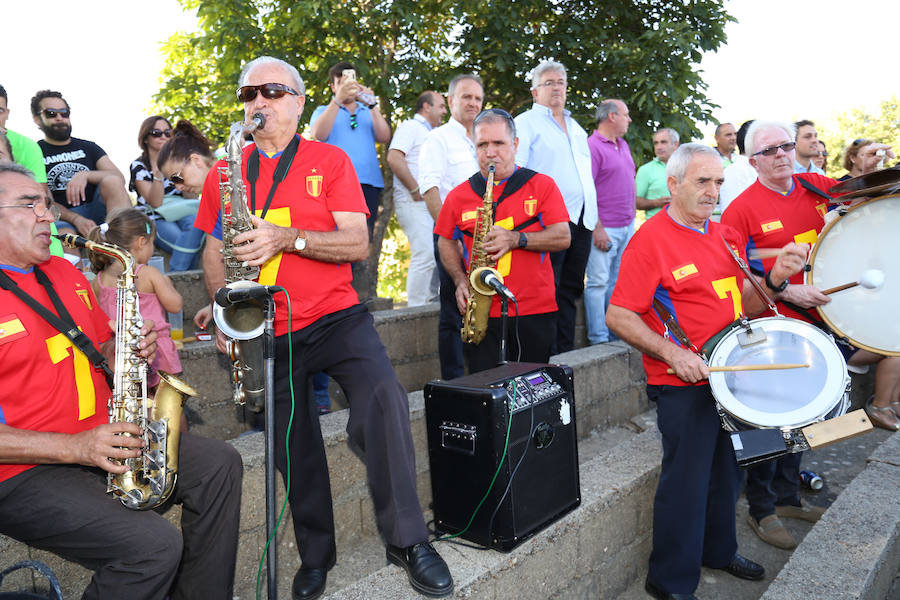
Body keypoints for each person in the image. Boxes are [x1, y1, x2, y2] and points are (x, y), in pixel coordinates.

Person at [186, 56, 453, 600]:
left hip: (336, 316)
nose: (258, 102)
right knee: (292, 442)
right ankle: (316, 555)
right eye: (248, 94)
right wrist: (221, 306)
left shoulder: (329, 160)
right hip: (266, 327)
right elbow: (213, 250)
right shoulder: (224, 173)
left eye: (272, 91)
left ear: (300, 101)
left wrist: (285, 237)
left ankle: (407, 540)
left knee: (384, 397)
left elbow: (357, 242)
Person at [0, 162, 242, 600]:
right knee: (153, 546)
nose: (47, 216)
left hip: (100, 439)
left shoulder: (65, 272)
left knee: (220, 464)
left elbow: (100, 349)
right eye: (29, 204)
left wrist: (129, 349)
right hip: (23, 472)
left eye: (47, 204)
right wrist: (75, 448)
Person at [606, 143, 807, 600]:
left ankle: (719, 551)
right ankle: (670, 581)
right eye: (702, 181)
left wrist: (775, 279)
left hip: (733, 376)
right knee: (688, 481)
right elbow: (619, 315)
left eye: (718, 181)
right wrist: (672, 354)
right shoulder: (649, 240)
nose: (713, 191)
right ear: (673, 184)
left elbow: (746, 306)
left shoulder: (725, 237)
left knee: (730, 472)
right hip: (683, 383)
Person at [721, 120, 900, 551]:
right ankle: (761, 508)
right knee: (771, 421)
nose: (781, 153)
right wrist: (785, 288)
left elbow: (870, 207)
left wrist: (880, 176)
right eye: (769, 150)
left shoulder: (817, 186)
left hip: (823, 323)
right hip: (774, 328)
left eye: (785, 145)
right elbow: (737, 278)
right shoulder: (740, 211)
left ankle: (787, 497)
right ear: (753, 161)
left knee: (808, 420)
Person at [435, 109, 570, 373]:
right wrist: (460, 280)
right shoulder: (457, 195)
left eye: (499, 143)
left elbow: (563, 236)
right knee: (485, 394)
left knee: (532, 393)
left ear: (515, 144)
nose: (490, 152)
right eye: (482, 145)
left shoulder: (542, 185)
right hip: (481, 313)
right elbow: (445, 241)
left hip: (533, 310)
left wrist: (516, 238)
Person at [514, 60, 598, 354]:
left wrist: (595, 218)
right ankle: (543, 354)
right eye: (548, 82)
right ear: (535, 91)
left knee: (571, 289)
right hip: (546, 221)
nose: (556, 88)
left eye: (560, 82)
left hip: (582, 220)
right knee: (547, 289)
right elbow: (518, 171)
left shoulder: (575, 127)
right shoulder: (525, 123)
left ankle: (565, 354)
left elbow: (584, 175)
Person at [418, 74, 484, 379]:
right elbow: (430, 188)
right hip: (452, 238)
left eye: (477, 98)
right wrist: (451, 236)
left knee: (482, 306)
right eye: (466, 97)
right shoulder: (438, 138)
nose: (472, 103)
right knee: (452, 312)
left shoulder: (485, 140)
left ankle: (482, 375)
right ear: (451, 100)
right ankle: (455, 381)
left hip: (485, 241)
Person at [89, 207, 184, 385]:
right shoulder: (149, 273)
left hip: (120, 351)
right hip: (155, 348)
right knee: (169, 406)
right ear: (141, 242)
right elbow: (175, 305)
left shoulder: (98, 281)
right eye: (152, 243)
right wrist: (167, 283)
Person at [309, 61, 391, 236]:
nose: (347, 88)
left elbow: (384, 137)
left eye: (350, 82)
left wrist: (372, 105)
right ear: (333, 87)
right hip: (334, 184)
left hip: (368, 183)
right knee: (335, 235)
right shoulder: (323, 110)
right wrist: (337, 100)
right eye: (341, 83)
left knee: (364, 238)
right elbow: (318, 134)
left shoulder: (368, 109)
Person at [30, 90, 131, 230]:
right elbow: (46, 201)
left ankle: (122, 238)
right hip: (62, 216)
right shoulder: (34, 152)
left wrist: (85, 175)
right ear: (36, 118)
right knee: (64, 232)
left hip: (100, 211)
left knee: (112, 181)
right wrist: (76, 219)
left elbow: (118, 177)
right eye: (51, 113)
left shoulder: (89, 147)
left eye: (64, 113)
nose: (59, 118)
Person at [387, 90, 446, 306]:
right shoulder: (411, 127)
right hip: (413, 202)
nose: (444, 111)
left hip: (429, 204)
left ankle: (431, 303)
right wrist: (415, 190)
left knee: (438, 254)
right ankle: (416, 309)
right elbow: (394, 157)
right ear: (426, 107)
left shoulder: (434, 133)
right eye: (441, 105)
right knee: (425, 252)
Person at [585, 99, 635, 344]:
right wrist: (597, 228)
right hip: (605, 229)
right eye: (626, 115)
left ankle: (616, 334)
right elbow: (587, 189)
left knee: (618, 283)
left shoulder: (623, 145)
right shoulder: (592, 146)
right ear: (612, 116)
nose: (629, 119)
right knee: (598, 283)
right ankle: (598, 339)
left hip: (627, 226)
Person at [131, 116, 205, 271]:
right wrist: (158, 171)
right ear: (145, 138)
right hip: (155, 216)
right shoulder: (139, 166)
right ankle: (176, 277)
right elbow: (155, 203)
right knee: (183, 241)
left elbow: (190, 197)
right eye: (156, 133)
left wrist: (186, 175)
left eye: (167, 133)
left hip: (182, 210)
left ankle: (174, 277)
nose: (163, 137)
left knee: (195, 224)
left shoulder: (179, 162)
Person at [635, 127, 679, 219]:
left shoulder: (687, 167)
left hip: (684, 226)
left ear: (675, 144)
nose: (659, 147)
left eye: (663, 142)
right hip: (655, 227)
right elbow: (634, 201)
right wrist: (656, 203)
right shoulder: (645, 170)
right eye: (656, 143)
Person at [718, 119, 757, 215]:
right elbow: (733, 215)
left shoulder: (758, 169)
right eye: (728, 135)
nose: (733, 138)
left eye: (735, 134)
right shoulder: (735, 171)